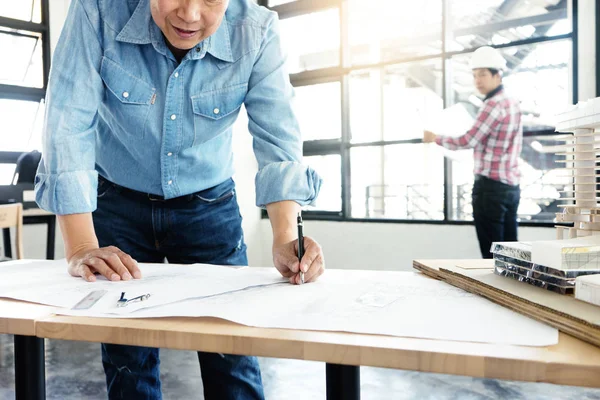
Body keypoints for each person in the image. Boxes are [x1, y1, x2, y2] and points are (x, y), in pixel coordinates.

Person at [34, 0, 325, 398]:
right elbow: (67, 125)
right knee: (128, 360)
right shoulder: (96, 12)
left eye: (209, 0)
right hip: (117, 204)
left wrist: (283, 236)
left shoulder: (257, 31)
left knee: (232, 356)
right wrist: (82, 246)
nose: (189, 15)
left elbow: (278, 138)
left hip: (210, 208)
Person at [423, 46, 523, 259]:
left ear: (497, 75)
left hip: (490, 189)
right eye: (475, 75)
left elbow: (469, 139)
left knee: (492, 257)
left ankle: (495, 292)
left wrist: (436, 138)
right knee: (511, 256)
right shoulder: (512, 102)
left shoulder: (492, 104)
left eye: (483, 75)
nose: (478, 80)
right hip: (511, 187)